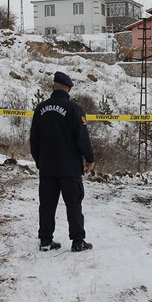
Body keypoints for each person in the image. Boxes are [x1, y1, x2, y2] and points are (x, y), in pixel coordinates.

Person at [30, 71, 95, 252]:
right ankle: (77, 241)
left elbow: (33, 140)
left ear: (52, 87)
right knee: (73, 204)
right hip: (69, 168)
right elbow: (82, 138)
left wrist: (39, 161)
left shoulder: (40, 109)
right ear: (69, 89)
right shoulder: (74, 109)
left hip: (47, 167)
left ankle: (45, 241)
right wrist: (89, 158)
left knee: (47, 205)